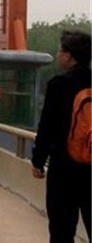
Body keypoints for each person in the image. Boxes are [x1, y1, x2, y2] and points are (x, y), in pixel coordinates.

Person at [31, 30, 91, 243]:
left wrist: (38, 160)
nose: (57, 55)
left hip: (64, 167)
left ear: (69, 55)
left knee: (62, 230)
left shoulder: (59, 84)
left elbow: (47, 126)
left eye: (60, 51)